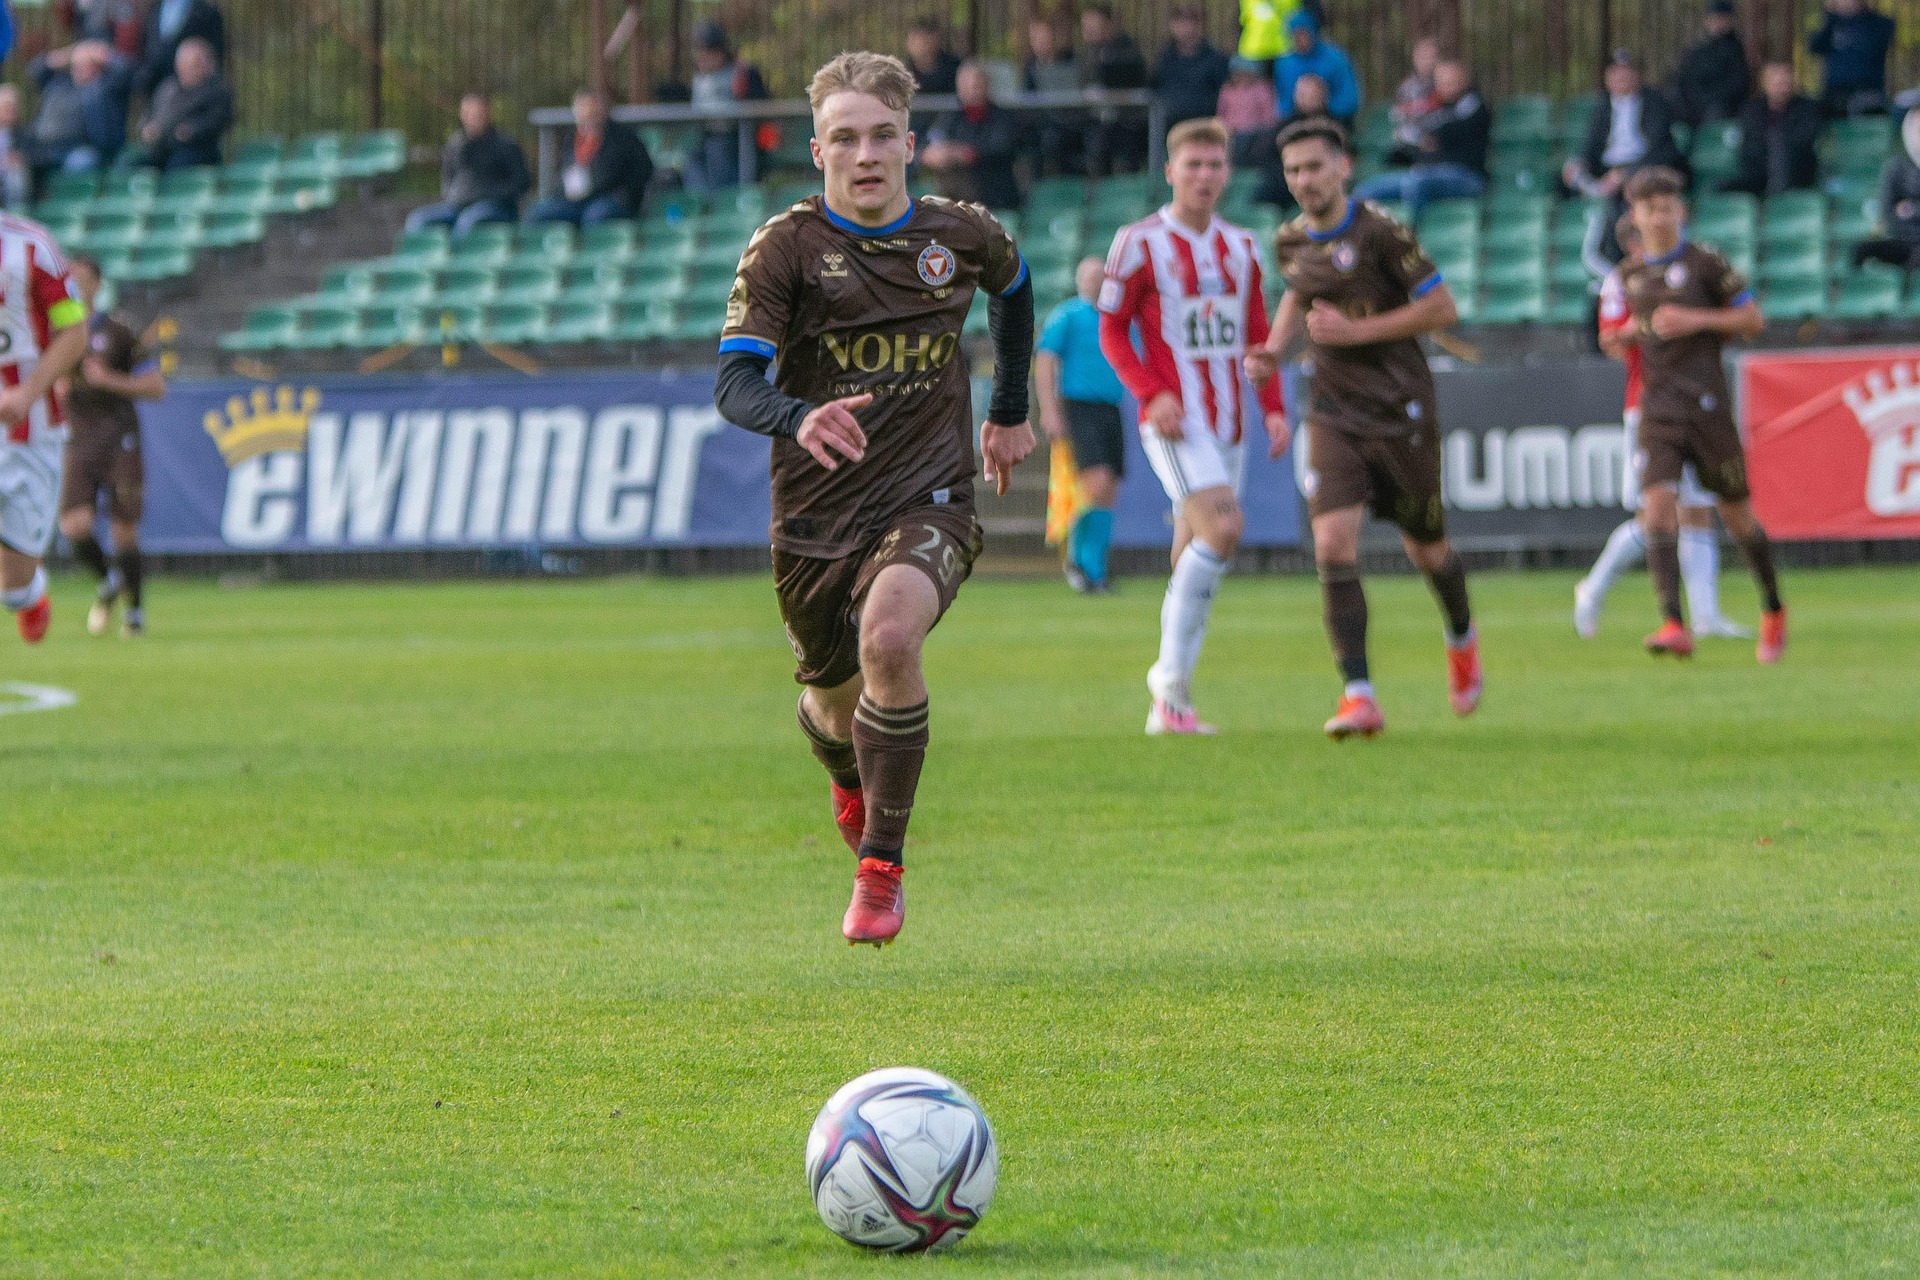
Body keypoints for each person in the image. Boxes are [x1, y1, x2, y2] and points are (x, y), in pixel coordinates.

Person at [711, 51, 1035, 946]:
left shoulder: (959, 234)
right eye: (845, 138)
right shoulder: (786, 248)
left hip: (929, 494)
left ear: (910, 143)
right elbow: (735, 385)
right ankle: (851, 780)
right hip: (815, 519)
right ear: (818, 150)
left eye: (882, 136)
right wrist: (797, 415)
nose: (866, 155)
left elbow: (1013, 290)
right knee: (829, 707)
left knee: (890, 638)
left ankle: (881, 872)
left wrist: (1008, 410)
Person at [1245, 117, 1481, 739]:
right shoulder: (1290, 238)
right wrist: (1273, 348)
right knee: (1332, 544)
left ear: (1343, 167)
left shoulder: (1382, 233)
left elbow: (1442, 308)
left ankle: (1461, 635)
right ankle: (1359, 694)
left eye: (1315, 167)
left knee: (1427, 548)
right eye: (1294, 170)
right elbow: (1299, 291)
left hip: (1399, 407)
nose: (1304, 181)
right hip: (1332, 408)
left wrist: (1357, 333)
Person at [1098, 118, 1288, 735]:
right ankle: (1167, 681)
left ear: (1227, 173)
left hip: (1231, 419)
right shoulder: (1139, 242)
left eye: (1214, 166)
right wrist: (1151, 394)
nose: (1204, 176)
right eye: (1193, 165)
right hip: (1178, 421)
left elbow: (1257, 336)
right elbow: (1111, 330)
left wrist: (1275, 406)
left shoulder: (1242, 246)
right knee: (1226, 527)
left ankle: (1170, 708)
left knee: (1195, 548)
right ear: (1171, 171)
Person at [1612, 166, 1784, 662]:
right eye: (1649, 209)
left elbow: (1752, 320)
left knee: (1737, 515)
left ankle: (1772, 608)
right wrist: (1624, 335)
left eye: (1667, 207)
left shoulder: (1707, 264)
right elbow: (1622, 333)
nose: (1659, 217)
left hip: (1707, 408)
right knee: (1657, 508)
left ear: (1680, 211)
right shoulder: (1630, 276)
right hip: (1657, 410)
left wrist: (1696, 319)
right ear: (1635, 216)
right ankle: (1672, 622)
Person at [1576, 215, 1750, 641]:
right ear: (1635, 244)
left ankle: (1707, 616)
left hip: (1694, 404)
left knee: (1696, 509)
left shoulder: (1685, 278)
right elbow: (1611, 340)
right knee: (1655, 515)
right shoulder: (1623, 282)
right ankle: (1592, 587)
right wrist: (1652, 326)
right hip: (1647, 406)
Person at [55, 254, 165, 639]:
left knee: (124, 530)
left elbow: (156, 387)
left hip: (120, 438)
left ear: (98, 285)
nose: (76, 286)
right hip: (78, 439)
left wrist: (109, 380)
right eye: (70, 279)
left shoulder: (119, 331)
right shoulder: (54, 332)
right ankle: (107, 581)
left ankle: (134, 613)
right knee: (74, 525)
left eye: (83, 280)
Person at [0, 210, 90, 644]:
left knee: (14, 588)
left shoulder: (35, 246)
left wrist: (27, 393)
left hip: (28, 429)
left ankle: (30, 594)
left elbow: (74, 330)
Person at [1037, 257, 1128, 593]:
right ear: (1079, 280)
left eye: (1100, 276)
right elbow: (1045, 360)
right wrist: (1050, 411)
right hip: (1080, 407)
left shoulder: (1116, 319)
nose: (1095, 281)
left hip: (1111, 407)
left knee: (1109, 488)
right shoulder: (1068, 316)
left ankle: (1096, 569)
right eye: (1089, 276)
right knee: (1096, 483)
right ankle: (1081, 564)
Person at [1353, 59, 1489, 219]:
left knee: (1416, 184)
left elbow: (1445, 133)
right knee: (1364, 191)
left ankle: (1411, 238)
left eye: (1452, 82)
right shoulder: (1431, 107)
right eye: (1442, 82)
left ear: (1464, 81)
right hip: (1425, 172)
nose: (1447, 87)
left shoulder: (1474, 106)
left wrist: (1432, 136)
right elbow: (1414, 139)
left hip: (1466, 176)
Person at [1564, 51, 1687, 202]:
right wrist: (1579, 162)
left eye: (1626, 71)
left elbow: (1660, 148)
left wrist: (1625, 173)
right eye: (1615, 72)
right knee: (1563, 182)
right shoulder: (1602, 106)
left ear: (1638, 75)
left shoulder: (1655, 102)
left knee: (1628, 190)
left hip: (1642, 166)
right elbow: (1593, 144)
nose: (1621, 77)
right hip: (1607, 168)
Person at [406, 94, 531, 237]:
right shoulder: (455, 145)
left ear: (488, 112)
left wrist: (486, 194)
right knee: (417, 220)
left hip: (496, 208)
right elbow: (447, 180)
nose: (473, 117)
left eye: (477, 112)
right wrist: (456, 196)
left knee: (467, 221)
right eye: (469, 112)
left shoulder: (506, 145)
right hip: (457, 207)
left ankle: (453, 258)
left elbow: (522, 183)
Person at [528, 89, 653, 226]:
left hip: (609, 198)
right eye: (582, 109)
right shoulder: (571, 138)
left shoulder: (624, 138)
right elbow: (562, 171)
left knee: (595, 217)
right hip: (574, 200)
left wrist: (623, 194)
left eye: (592, 109)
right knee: (538, 214)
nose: (588, 114)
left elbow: (642, 172)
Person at [26, 41, 133, 185]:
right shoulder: (59, 84)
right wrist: (68, 54)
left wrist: (99, 53)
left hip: (82, 149)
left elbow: (126, 70)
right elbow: (35, 70)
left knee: (79, 164)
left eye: (86, 65)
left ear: (98, 67)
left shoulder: (106, 87)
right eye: (76, 65)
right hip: (45, 149)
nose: (79, 70)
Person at [921, 61, 1021, 211]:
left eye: (977, 84)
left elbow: (1001, 149)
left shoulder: (1003, 118)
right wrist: (932, 154)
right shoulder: (951, 117)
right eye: (966, 85)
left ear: (987, 85)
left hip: (994, 197)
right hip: (955, 199)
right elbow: (931, 142)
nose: (973, 90)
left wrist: (964, 153)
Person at [684, 21, 769, 196]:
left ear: (719, 52)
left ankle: (723, 203)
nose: (700, 58)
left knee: (719, 153)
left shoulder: (743, 73)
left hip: (735, 142)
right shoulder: (700, 79)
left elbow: (760, 110)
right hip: (705, 139)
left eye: (705, 52)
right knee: (691, 161)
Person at [1722, 61, 1822, 196]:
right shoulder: (1751, 111)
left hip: (1795, 172)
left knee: (1779, 145)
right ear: (1765, 83)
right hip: (1758, 172)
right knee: (1722, 189)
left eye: (1785, 82)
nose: (1781, 87)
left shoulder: (1807, 109)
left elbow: (1804, 142)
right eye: (1777, 83)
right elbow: (1750, 147)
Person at [138, 36, 232, 171]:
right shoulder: (167, 88)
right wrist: (147, 128)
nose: (187, 70)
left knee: (177, 169)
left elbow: (218, 119)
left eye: (193, 65)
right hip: (162, 150)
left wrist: (193, 130)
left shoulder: (216, 90)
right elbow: (148, 114)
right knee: (130, 167)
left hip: (197, 151)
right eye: (183, 65)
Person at [1077, 3, 1150, 175]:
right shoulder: (1086, 55)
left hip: (1126, 123)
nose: (1089, 31)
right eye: (1086, 27)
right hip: (1095, 122)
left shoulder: (1127, 50)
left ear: (1108, 25)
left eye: (1095, 26)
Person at [1852, 105, 1920, 270]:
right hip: (1903, 238)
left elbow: (1905, 210)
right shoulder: (1896, 167)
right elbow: (1888, 211)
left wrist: (1911, 209)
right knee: (1860, 251)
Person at [1670, 0, 1751, 131]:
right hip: (1691, 106)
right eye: (1713, 19)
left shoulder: (1737, 51)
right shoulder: (1697, 51)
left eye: (1721, 19)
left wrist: (1708, 99)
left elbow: (1738, 85)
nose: (1717, 23)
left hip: (1718, 107)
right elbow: (1682, 80)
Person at [1809, 0, 1895, 117]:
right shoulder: (1831, 24)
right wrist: (1830, 16)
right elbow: (1815, 47)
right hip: (1835, 94)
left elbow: (1879, 44)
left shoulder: (1878, 24)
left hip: (1868, 91)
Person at [1155, 3, 1231, 132]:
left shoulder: (1215, 59)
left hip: (1204, 126)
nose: (1184, 28)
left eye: (1189, 22)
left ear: (1200, 25)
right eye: (1179, 22)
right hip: (1169, 126)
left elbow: (1224, 95)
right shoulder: (1166, 58)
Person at [1274, 11, 1359, 127]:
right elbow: (1283, 102)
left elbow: (1349, 97)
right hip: (1296, 121)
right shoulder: (1285, 64)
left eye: (1302, 34)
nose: (1298, 39)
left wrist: (1323, 107)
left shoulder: (1335, 59)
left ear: (1313, 32)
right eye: (1294, 34)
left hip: (1335, 119)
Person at [1022, 16, 1083, 176]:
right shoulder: (1029, 68)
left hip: (1070, 123)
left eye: (1044, 37)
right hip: (1041, 123)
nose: (1040, 43)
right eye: (1035, 38)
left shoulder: (1072, 62)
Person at [134, 0, 224, 100]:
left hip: (190, 92)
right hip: (154, 86)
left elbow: (216, 53)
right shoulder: (155, 8)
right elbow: (147, 45)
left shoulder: (206, 11)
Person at [1219, 55, 1279, 168]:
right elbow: (1222, 114)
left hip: (1256, 133)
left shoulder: (1262, 89)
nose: (1241, 77)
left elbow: (1269, 117)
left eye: (1245, 73)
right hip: (1232, 133)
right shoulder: (1227, 89)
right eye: (1238, 73)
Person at [1391, 37, 1442, 150]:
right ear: (1415, 58)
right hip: (1410, 144)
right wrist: (1420, 139)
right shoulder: (1406, 89)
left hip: (1441, 144)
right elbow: (1400, 119)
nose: (1428, 61)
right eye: (1423, 57)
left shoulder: (1448, 87)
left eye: (1432, 57)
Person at [0, 87, 31, 210]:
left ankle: (16, 212)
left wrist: (21, 158)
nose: (11, 110)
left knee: (15, 174)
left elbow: (39, 157)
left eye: (14, 107)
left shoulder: (25, 134)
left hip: (13, 179)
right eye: (6, 107)